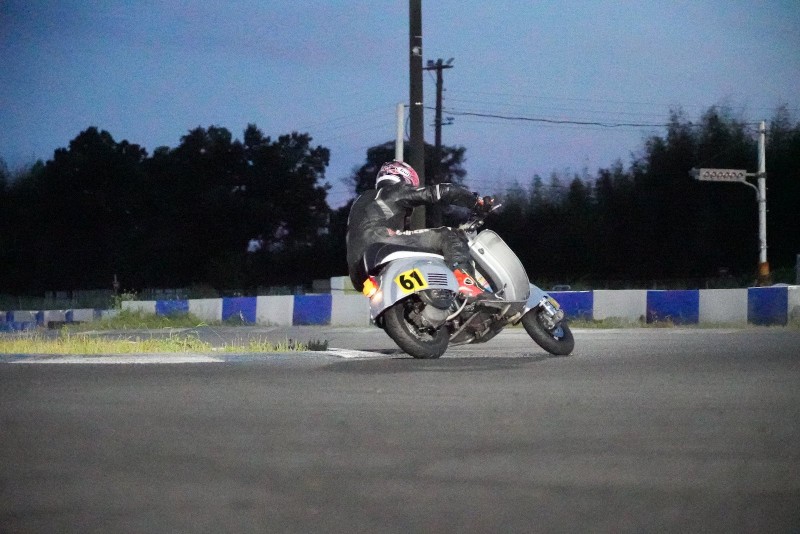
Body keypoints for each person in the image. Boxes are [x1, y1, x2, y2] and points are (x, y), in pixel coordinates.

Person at [346, 160, 493, 296]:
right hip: (381, 242)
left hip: (358, 271)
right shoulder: (393, 191)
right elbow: (440, 192)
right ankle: (467, 285)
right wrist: (475, 202)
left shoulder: (360, 200)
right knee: (449, 235)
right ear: (403, 176)